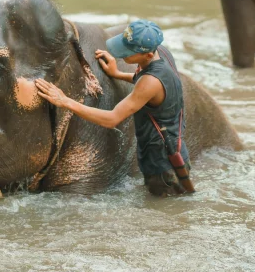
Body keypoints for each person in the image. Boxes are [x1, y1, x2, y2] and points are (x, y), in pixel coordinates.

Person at [36, 19, 193, 197]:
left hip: (162, 167)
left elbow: (112, 118)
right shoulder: (162, 55)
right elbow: (151, 83)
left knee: (164, 215)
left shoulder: (150, 82)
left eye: (128, 52)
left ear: (148, 55)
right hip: (171, 150)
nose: (122, 56)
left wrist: (65, 101)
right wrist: (117, 74)